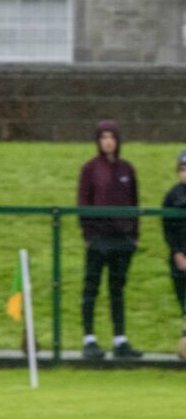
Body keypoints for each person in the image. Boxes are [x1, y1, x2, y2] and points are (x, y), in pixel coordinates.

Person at [77, 120, 142, 360]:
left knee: (117, 290)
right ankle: (89, 339)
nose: (108, 141)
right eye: (103, 137)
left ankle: (120, 339)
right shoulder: (90, 169)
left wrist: (134, 236)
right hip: (99, 239)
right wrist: (89, 235)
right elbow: (83, 203)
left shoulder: (127, 169)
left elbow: (135, 203)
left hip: (122, 240)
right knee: (91, 288)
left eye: (111, 137)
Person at [162, 149, 186, 359]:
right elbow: (167, 228)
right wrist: (177, 253)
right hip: (180, 259)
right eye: (183, 169)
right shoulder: (172, 196)